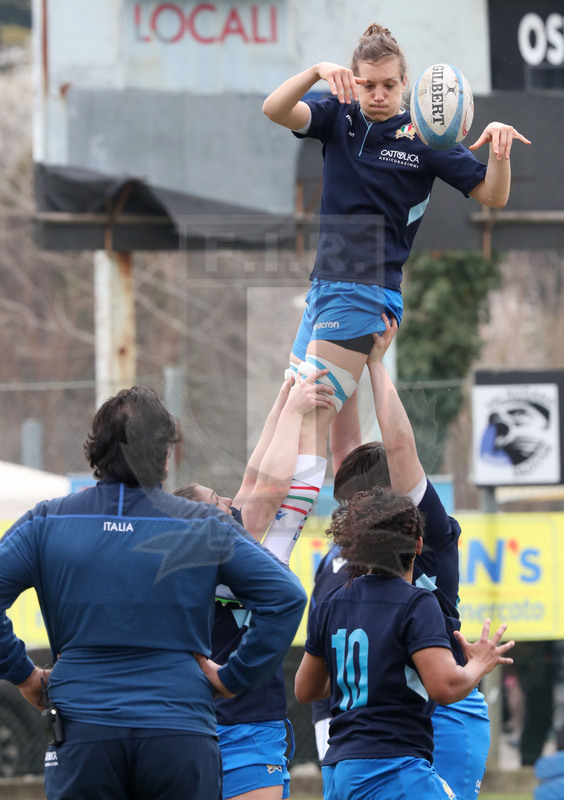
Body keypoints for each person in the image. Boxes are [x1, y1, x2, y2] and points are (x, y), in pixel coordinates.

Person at [0, 385, 307, 800]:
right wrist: (235, 676)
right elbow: (286, 597)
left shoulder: (47, 523)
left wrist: (23, 674)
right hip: (179, 732)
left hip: (83, 732)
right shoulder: (201, 525)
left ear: (96, 450)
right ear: (166, 458)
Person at [262, 21, 531, 488]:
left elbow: (493, 194)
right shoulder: (339, 116)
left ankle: (276, 531)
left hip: (364, 294)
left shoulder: (425, 137)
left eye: (389, 85)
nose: (378, 95)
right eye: (368, 85)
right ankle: (349, 536)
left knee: (303, 425)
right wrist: (316, 71)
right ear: (353, 81)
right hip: (324, 291)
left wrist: (500, 151)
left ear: (406, 84)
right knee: (321, 433)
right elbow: (274, 109)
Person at [309, 314, 493, 800]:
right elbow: (345, 452)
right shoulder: (352, 547)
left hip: (443, 708)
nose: (347, 509)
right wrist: (341, 353)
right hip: (365, 724)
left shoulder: (424, 532)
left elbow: (398, 447)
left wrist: (373, 363)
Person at [295, 486, 515, 800]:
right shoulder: (417, 603)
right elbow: (445, 688)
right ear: (419, 544)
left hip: (339, 771)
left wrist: (368, 672)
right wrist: (478, 664)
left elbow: (305, 690)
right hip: (392, 768)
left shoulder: (331, 603)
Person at [175, 370, 333, 800]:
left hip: (208, 728)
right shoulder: (220, 559)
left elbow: (255, 480)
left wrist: (283, 403)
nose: (229, 502)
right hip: (240, 729)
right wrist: (296, 410)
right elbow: (270, 487)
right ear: (201, 524)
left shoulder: (202, 557)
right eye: (217, 502)